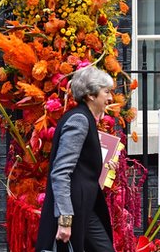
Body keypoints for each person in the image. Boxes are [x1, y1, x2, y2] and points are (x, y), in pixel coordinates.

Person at [35, 66, 116, 252]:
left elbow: (83, 167)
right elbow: (61, 171)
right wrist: (65, 219)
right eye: (106, 92)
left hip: (85, 209)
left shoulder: (85, 118)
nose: (110, 98)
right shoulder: (79, 120)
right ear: (91, 95)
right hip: (74, 210)